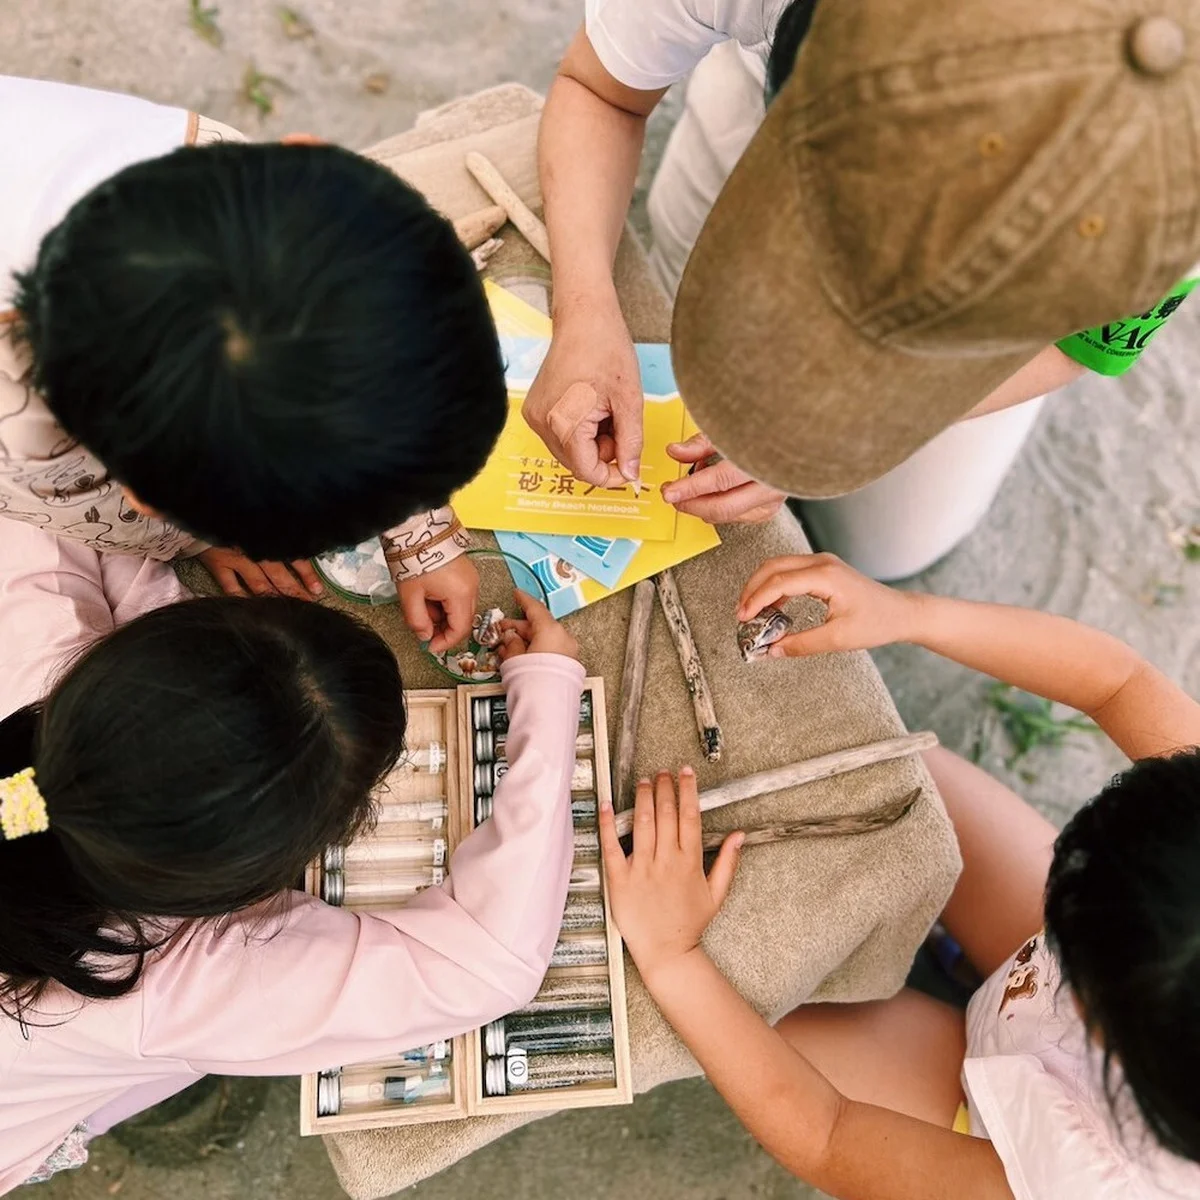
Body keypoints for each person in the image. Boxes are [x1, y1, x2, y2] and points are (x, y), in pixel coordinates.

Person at [0, 516, 584, 1193]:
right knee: (125, 1069)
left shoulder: (30, 646)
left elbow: (48, 511)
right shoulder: (174, 993)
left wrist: (177, 541)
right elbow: (490, 965)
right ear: (256, 876)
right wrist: (548, 695)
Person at [527, 0, 1200, 579]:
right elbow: (600, 88)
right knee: (679, 331)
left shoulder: (1168, 188)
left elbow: (1087, 342)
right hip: (757, 113)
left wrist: (806, 448)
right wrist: (586, 307)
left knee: (891, 548)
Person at [598, 553, 1200, 1199]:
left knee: (743, 1009)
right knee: (892, 771)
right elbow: (1121, 683)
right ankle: (974, 971)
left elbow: (827, 1135)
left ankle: (953, 1005)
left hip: (1003, 1121)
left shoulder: (1090, 1184)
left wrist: (673, 955)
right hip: (1118, 990)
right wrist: (913, 615)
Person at [0, 73, 507, 651]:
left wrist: (418, 527)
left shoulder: (232, 178)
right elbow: (71, 497)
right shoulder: (27, 439)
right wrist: (190, 539)